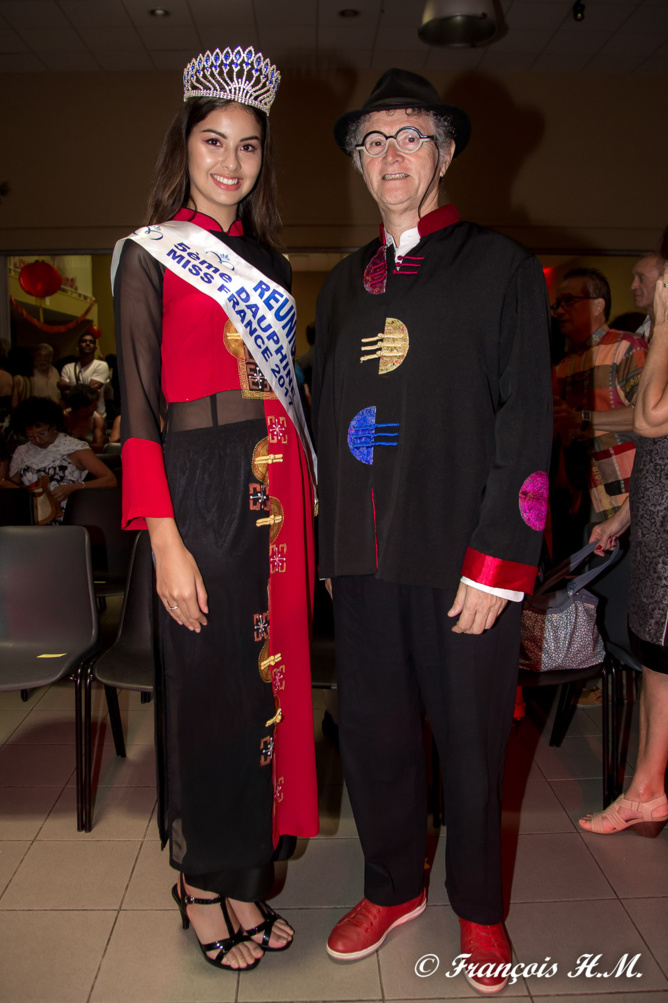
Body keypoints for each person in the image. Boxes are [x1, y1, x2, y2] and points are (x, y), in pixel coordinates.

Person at [311, 69, 552, 995]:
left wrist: (498, 566)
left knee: (470, 736)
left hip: (464, 567)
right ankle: (390, 886)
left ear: (445, 153)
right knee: (373, 734)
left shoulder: (499, 267)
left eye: (410, 136)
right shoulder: (340, 287)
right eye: (372, 142)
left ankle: (481, 909)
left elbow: (527, 420)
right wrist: (333, 554)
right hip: (365, 567)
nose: (390, 156)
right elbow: (331, 425)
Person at [112, 45, 317, 973]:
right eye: (212, 141)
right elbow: (139, 415)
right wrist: (165, 542)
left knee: (259, 692)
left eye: (247, 146)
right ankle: (198, 879)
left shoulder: (268, 257)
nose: (230, 162)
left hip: (269, 481)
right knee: (204, 695)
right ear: (184, 147)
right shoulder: (149, 256)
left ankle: (245, 872)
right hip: (191, 491)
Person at [580, 259, 668, 836]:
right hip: (655, 522)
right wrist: (620, 518)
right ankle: (648, 788)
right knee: (656, 664)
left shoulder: (657, 341)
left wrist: (661, 328)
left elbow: (649, 417)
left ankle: (647, 790)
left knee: (659, 664)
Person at [552, 268, 647, 554]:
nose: (559, 311)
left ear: (598, 305)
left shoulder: (626, 348)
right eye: (558, 304)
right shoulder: (561, 367)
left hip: (628, 502)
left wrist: (581, 419)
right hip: (579, 504)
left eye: (569, 301)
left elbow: (649, 415)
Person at [1, 397, 117, 520]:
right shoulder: (22, 451)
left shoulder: (75, 448)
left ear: (54, 426)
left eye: (43, 433)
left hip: (70, 515)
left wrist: (74, 487)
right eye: (31, 436)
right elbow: (12, 488)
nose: (38, 439)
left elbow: (110, 480)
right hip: (33, 516)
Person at [58, 329, 110, 417]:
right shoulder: (68, 367)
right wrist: (85, 389)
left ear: (95, 348)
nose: (88, 343)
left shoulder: (101, 365)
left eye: (91, 342)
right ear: (77, 347)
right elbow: (65, 394)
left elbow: (91, 393)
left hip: (95, 416)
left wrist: (70, 387)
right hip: (74, 416)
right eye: (84, 341)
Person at [631, 249, 665, 341]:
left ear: (664, 281)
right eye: (634, 278)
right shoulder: (640, 331)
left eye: (641, 278)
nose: (633, 286)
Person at [64, 384, 106, 452]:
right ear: (82, 407)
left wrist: (75, 444)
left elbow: (99, 447)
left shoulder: (96, 419)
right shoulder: (64, 417)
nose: (96, 408)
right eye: (93, 406)